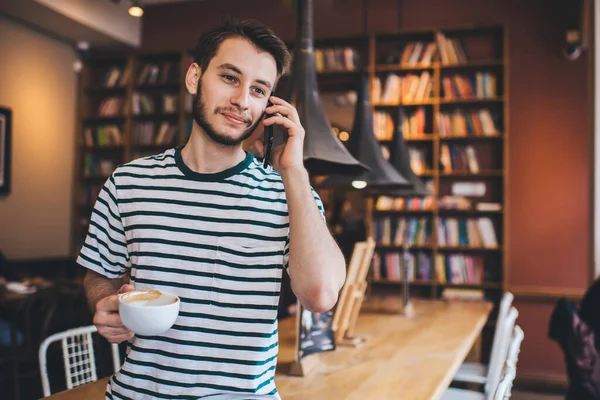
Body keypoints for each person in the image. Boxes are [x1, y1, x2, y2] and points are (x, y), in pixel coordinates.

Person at [77, 19, 347, 399]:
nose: (242, 100)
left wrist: (295, 171)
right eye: (230, 78)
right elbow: (97, 275)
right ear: (194, 77)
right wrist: (103, 301)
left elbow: (320, 295)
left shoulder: (289, 193)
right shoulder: (128, 182)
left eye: (258, 89)